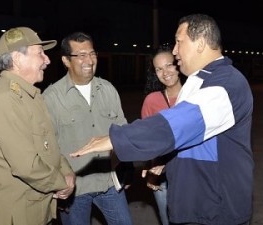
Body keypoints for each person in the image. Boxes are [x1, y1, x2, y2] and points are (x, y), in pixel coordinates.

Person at [70, 14, 254, 225]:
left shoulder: (226, 84)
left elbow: (180, 124)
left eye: (179, 42)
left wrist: (117, 138)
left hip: (216, 212)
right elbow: (195, 141)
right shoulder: (200, 81)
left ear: (201, 43)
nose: (174, 51)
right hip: (196, 205)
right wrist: (165, 163)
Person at [0, 27, 76, 225]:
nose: (47, 60)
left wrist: (67, 171)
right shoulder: (4, 98)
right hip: (16, 214)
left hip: (34, 208)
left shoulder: (28, 95)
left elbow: (48, 144)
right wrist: (61, 183)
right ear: (17, 59)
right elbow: (26, 165)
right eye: (40, 53)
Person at [42, 32, 133, 225]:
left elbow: (123, 132)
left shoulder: (108, 89)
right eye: (81, 55)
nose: (89, 60)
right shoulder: (52, 97)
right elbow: (47, 147)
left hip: (108, 183)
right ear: (66, 60)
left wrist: (127, 169)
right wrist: (55, 186)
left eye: (92, 53)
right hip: (75, 189)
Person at [141, 45, 182, 225]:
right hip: (162, 177)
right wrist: (151, 170)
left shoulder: (196, 97)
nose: (165, 72)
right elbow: (147, 140)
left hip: (190, 174)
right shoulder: (152, 100)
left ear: (179, 65)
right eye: (158, 69)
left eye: (169, 65)